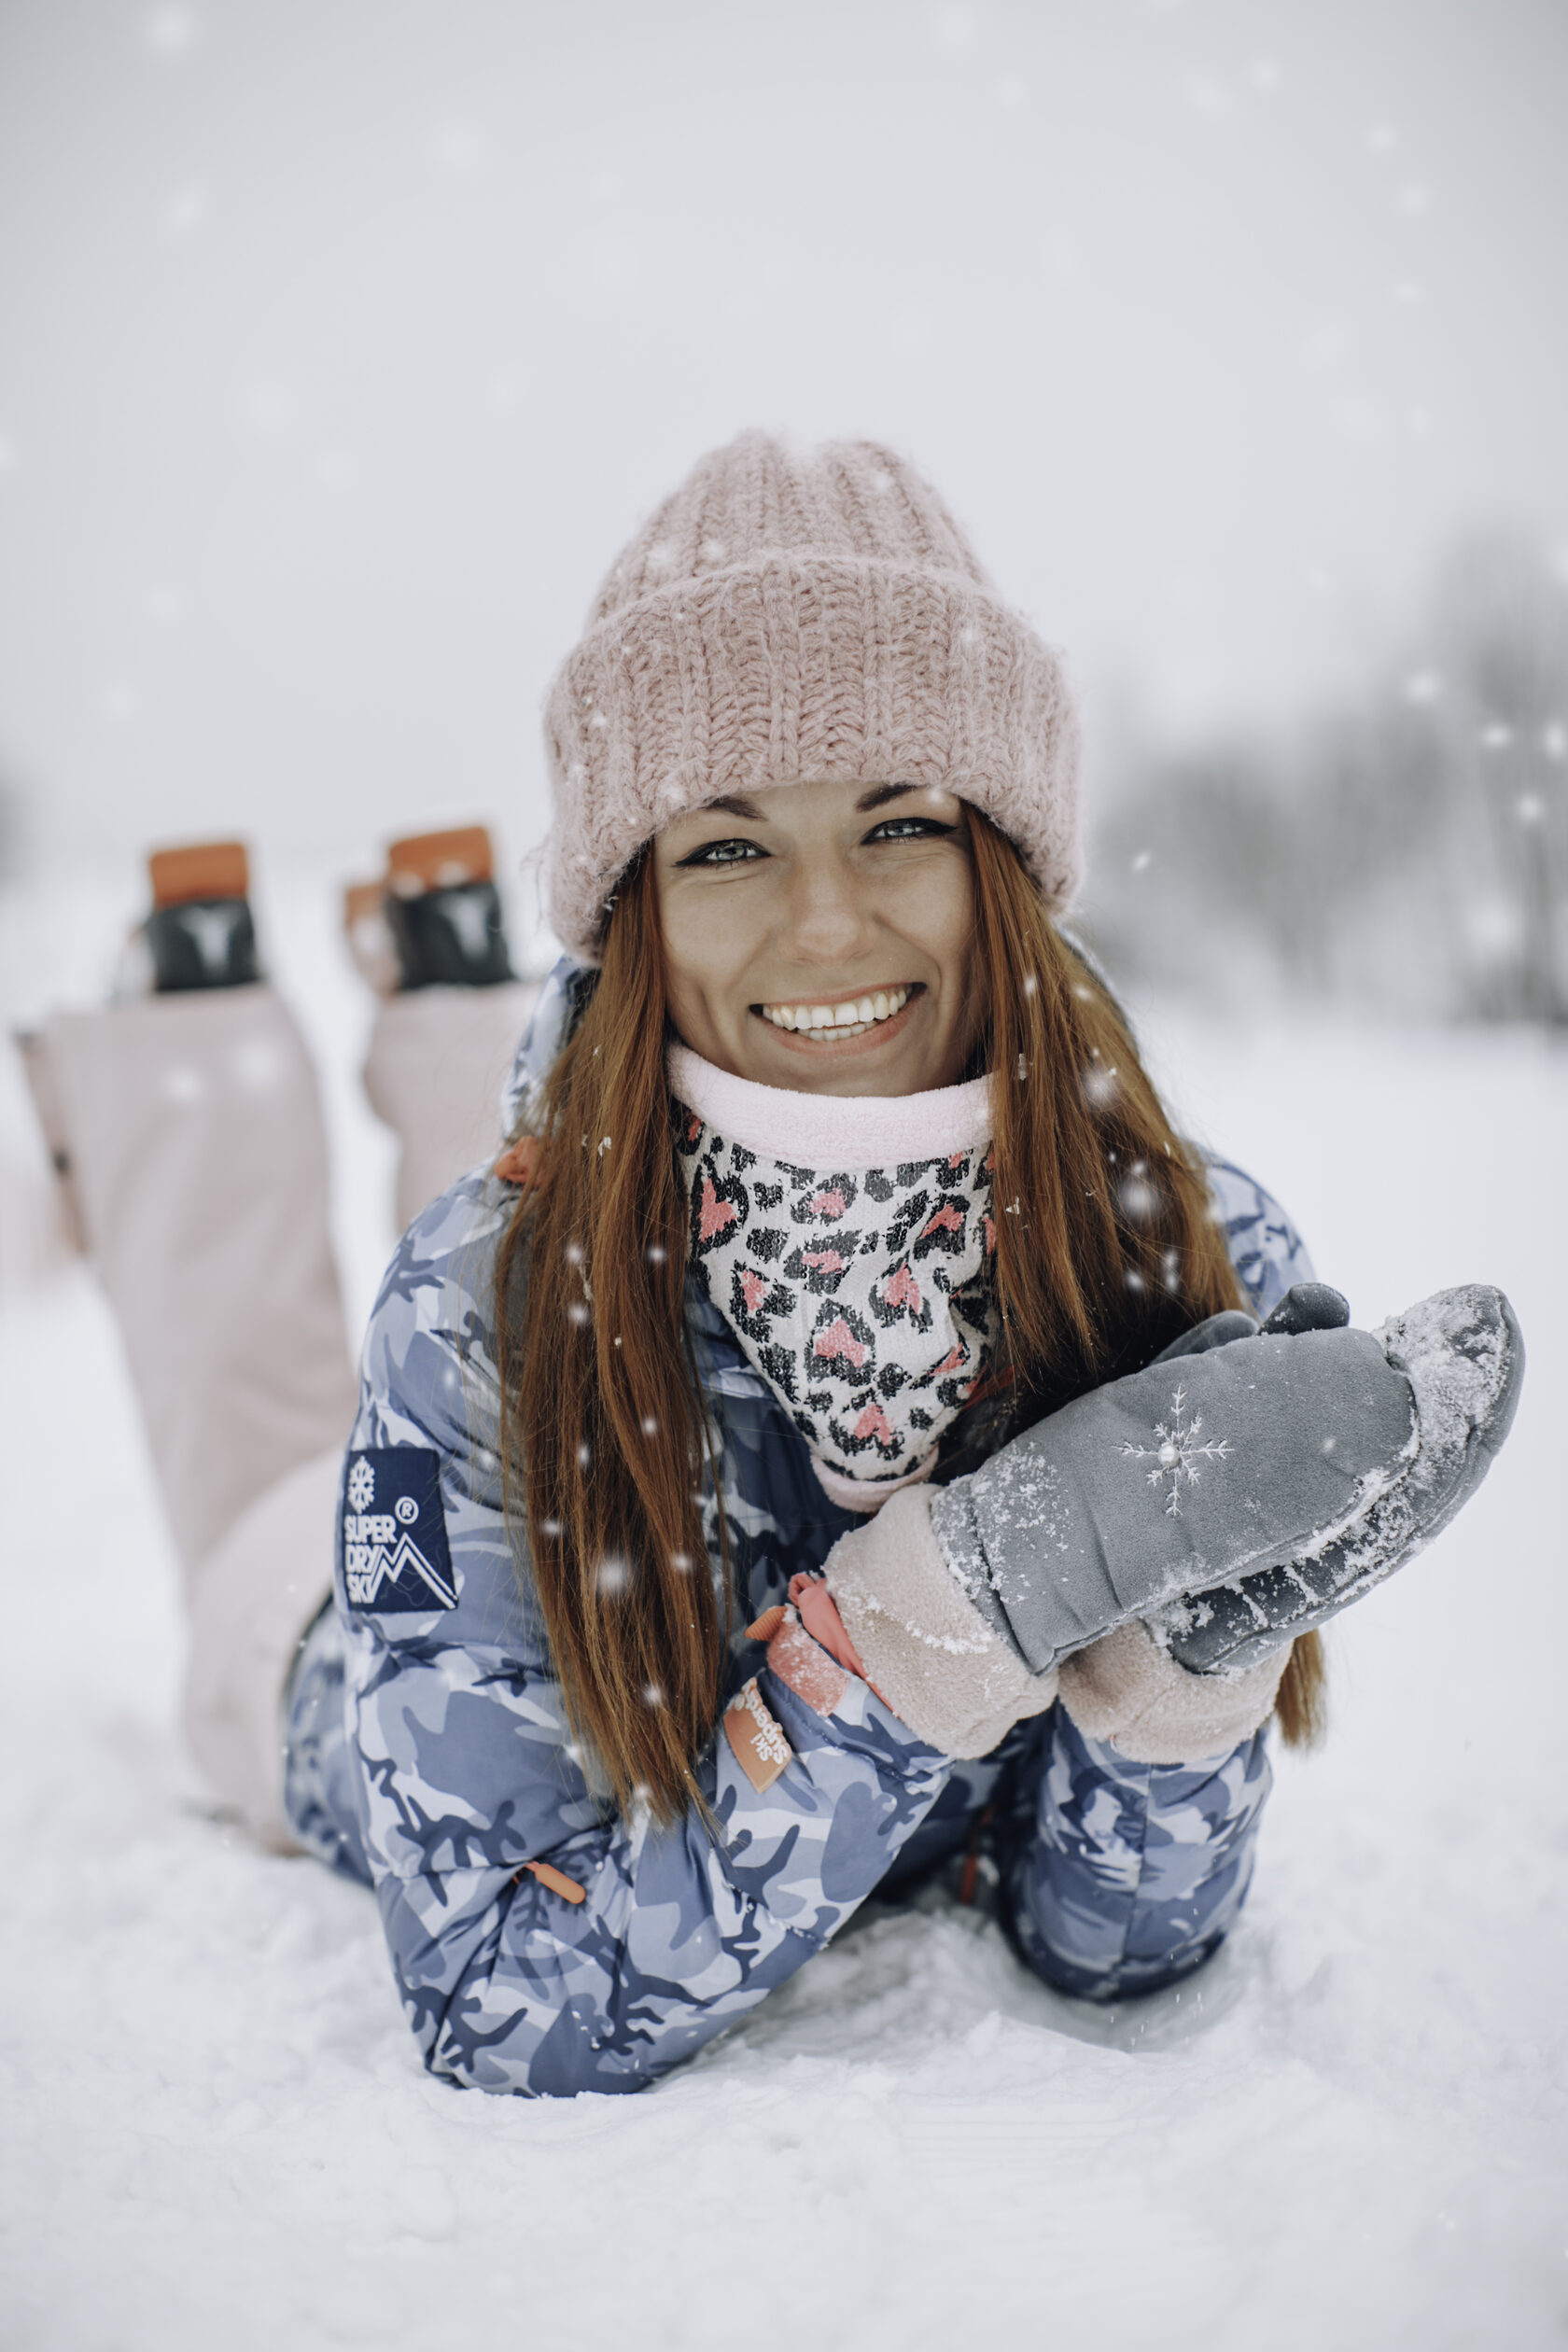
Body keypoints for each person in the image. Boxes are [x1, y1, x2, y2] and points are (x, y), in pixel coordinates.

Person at [21, 432, 1522, 2100]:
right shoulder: (471, 1314)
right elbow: (500, 1999)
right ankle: (201, 1046)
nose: (825, 924)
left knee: (533, 1193)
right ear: (636, 906)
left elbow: (1114, 1954)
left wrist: (1179, 1673)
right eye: (727, 848)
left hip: (569, 1287)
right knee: (254, 1382)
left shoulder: (1174, 1245)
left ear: (1003, 868)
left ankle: (444, 995)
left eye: (896, 828)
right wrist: (954, 1610)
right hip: (304, 1633)